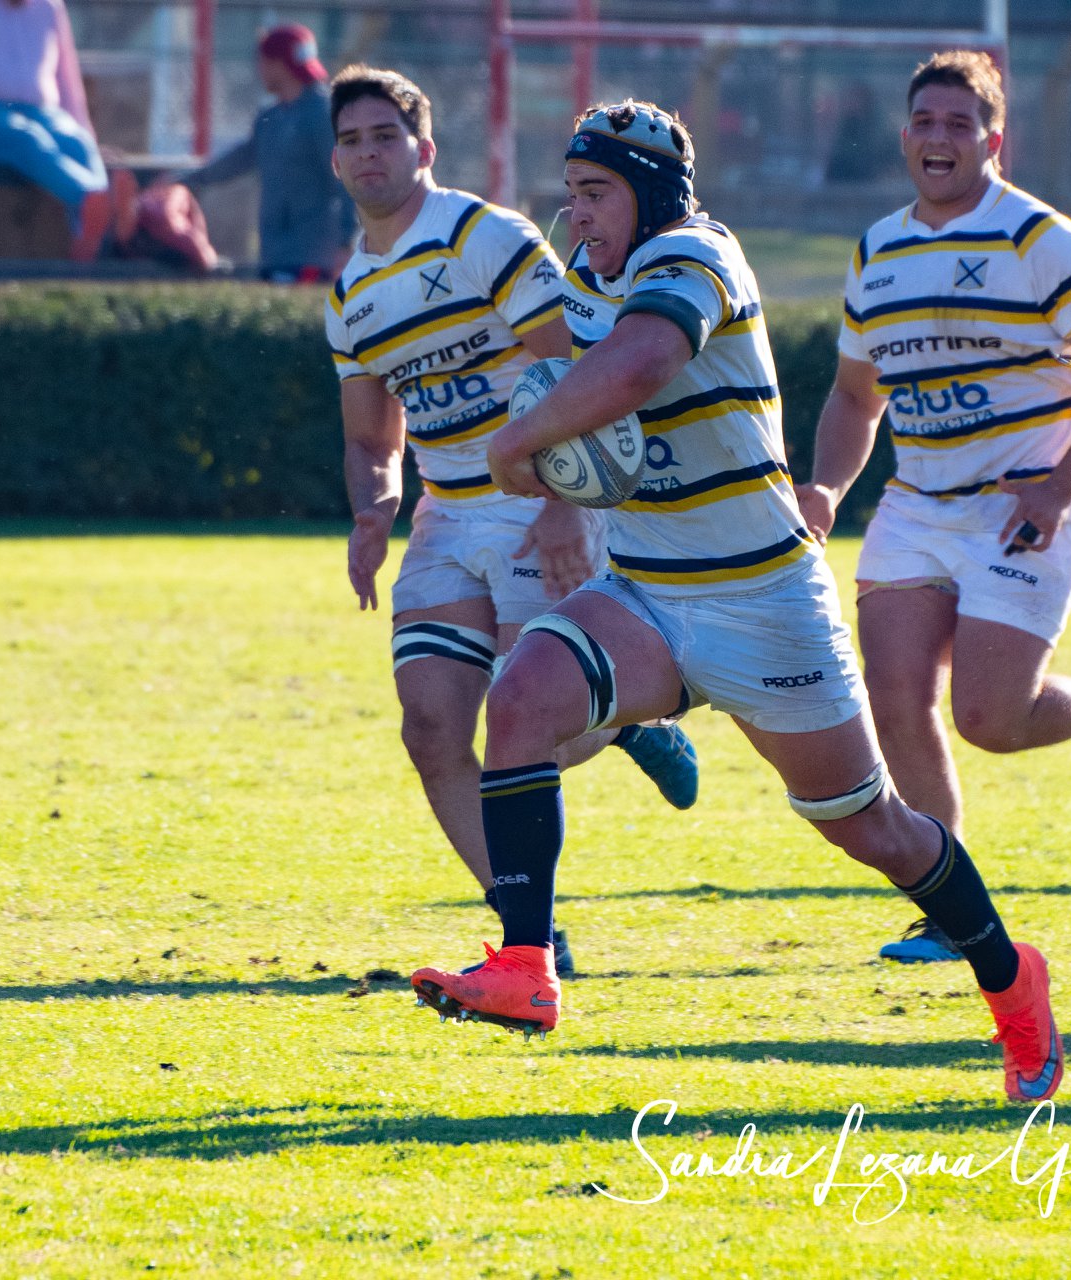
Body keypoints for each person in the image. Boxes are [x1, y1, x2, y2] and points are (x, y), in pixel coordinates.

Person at [409, 98, 1064, 1105]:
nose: (577, 213)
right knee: (524, 694)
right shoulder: (587, 271)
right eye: (572, 193)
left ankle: (1012, 981)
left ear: (651, 195)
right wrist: (556, 467)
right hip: (646, 589)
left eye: (597, 193)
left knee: (875, 829)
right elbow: (580, 383)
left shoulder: (696, 256)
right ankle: (526, 965)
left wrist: (521, 438)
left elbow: (642, 362)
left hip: (764, 602)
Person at [797, 51, 1071, 966]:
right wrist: (826, 487)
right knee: (894, 700)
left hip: (1024, 508)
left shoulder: (1037, 238)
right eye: (924, 122)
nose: (939, 138)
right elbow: (855, 397)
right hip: (916, 507)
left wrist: (1059, 485)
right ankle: (949, 908)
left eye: (959, 124)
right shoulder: (877, 249)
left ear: (993, 141)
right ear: (904, 137)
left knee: (991, 720)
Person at [324, 67, 698, 978]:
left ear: (424, 148)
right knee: (431, 731)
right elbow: (372, 434)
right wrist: (374, 508)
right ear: (334, 161)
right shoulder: (348, 294)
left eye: (385, 136)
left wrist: (565, 504)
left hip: (534, 500)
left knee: (527, 726)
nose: (368, 154)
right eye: (351, 141)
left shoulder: (482, 237)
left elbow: (577, 371)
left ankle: (632, 718)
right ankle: (530, 933)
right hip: (446, 517)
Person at [172, 24, 351, 282]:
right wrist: (185, 180)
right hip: (273, 255)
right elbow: (241, 158)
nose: (260, 69)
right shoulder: (271, 117)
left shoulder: (321, 114)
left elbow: (346, 180)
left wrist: (346, 241)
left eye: (263, 61)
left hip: (312, 258)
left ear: (279, 64)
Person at [0, 0, 109, 261]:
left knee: (78, 142)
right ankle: (94, 198)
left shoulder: (49, 7)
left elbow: (67, 79)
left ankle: (92, 236)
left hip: (41, 110)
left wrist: (85, 130)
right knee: (27, 139)